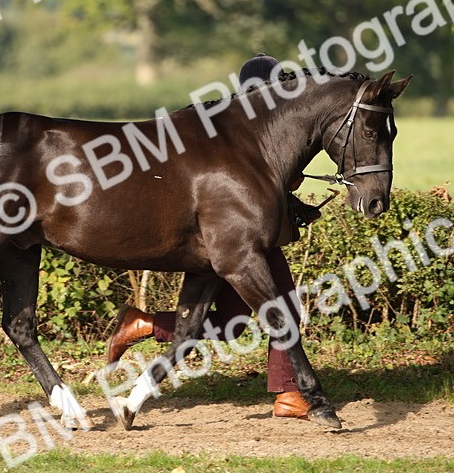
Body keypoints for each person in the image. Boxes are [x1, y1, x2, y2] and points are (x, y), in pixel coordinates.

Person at [105, 53, 323, 418]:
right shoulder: (254, 128)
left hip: (236, 234)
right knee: (283, 307)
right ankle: (289, 394)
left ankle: (143, 323)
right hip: (239, 236)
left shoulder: (233, 122)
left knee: (232, 323)